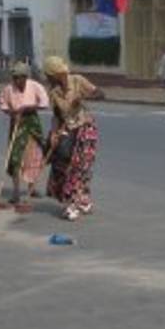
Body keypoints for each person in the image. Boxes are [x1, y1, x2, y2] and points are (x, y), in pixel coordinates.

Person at [44, 56, 105, 221]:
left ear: (56, 74)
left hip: (85, 128)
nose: (48, 79)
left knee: (81, 166)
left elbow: (101, 94)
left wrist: (83, 98)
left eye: (49, 76)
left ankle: (79, 201)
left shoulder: (78, 81)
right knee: (64, 164)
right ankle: (74, 201)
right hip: (68, 129)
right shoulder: (54, 93)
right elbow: (57, 116)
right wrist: (54, 133)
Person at [0, 61, 50, 203]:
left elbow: (44, 103)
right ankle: (16, 192)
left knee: (33, 156)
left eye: (19, 78)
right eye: (14, 78)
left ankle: (31, 188)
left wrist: (28, 108)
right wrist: (12, 113)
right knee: (15, 156)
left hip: (31, 122)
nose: (16, 81)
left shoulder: (35, 86)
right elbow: (2, 104)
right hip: (16, 122)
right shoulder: (8, 89)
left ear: (25, 77)